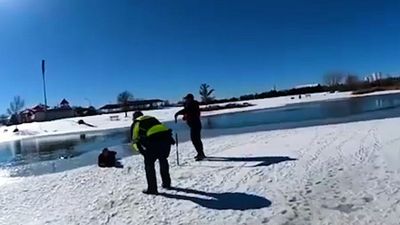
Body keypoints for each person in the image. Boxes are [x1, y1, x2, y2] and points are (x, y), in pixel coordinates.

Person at [131, 111, 175, 195]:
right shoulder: (152, 119)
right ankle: (166, 183)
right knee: (163, 160)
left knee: (149, 166)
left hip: (152, 143)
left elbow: (134, 140)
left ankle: (152, 189)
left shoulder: (137, 123)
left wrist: (141, 152)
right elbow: (162, 129)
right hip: (165, 141)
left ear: (134, 118)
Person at [174, 93, 206, 161]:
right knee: (195, 139)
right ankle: (200, 153)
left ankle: (201, 154)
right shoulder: (189, 105)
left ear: (190, 98)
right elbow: (188, 113)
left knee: (195, 139)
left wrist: (178, 113)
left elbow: (188, 110)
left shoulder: (193, 104)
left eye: (187, 99)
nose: (186, 100)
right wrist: (185, 117)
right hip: (193, 125)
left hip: (196, 125)